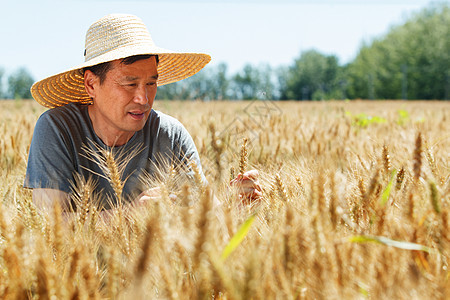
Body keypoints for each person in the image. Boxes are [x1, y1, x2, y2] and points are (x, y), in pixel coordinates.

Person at [24, 14, 261, 212]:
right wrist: (128, 216)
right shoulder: (57, 129)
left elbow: (206, 217)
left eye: (151, 83)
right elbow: (52, 226)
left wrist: (236, 205)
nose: (143, 98)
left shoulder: (170, 134)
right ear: (91, 85)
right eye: (129, 84)